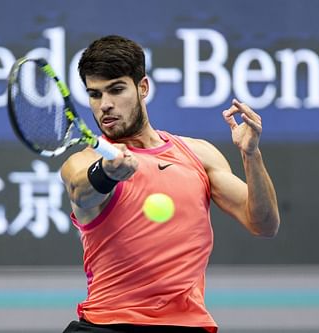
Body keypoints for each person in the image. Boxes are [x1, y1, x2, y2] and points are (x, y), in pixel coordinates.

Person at [60, 35, 280, 333]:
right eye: (95, 94)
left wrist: (251, 155)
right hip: (109, 325)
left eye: (116, 90)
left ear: (143, 87)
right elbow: (81, 192)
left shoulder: (197, 155)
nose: (105, 105)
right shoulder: (85, 161)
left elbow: (264, 224)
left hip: (187, 326)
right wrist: (108, 173)